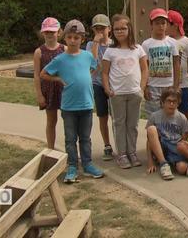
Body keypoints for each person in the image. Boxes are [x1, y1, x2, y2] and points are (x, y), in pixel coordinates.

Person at [41, 19, 104, 183]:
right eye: (70, 37)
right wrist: (58, 79)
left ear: (82, 39)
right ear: (65, 38)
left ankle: (88, 164)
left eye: (77, 38)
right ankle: (72, 166)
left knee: (85, 138)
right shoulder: (60, 59)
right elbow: (43, 74)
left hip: (86, 105)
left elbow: (95, 66)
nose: (73, 40)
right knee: (70, 139)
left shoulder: (87, 56)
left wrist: (88, 77)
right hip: (68, 107)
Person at [102, 14, 149, 169]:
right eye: (116, 29)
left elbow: (144, 69)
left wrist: (141, 88)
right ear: (112, 31)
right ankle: (122, 154)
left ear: (129, 28)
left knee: (133, 124)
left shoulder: (138, 49)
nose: (120, 31)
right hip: (117, 94)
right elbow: (104, 72)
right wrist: (107, 89)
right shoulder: (110, 51)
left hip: (134, 92)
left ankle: (132, 152)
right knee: (119, 123)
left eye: (123, 28)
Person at [141, 8, 181, 119]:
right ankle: (153, 136)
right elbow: (145, 66)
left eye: (163, 23)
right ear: (151, 24)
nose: (160, 26)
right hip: (153, 86)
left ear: (167, 24)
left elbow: (176, 64)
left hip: (168, 85)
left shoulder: (172, 43)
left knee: (169, 116)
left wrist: (176, 86)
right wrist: (145, 87)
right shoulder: (146, 44)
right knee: (153, 117)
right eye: (157, 23)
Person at [85, 14, 114, 161]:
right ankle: (107, 144)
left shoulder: (114, 44)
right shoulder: (90, 45)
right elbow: (93, 64)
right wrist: (96, 43)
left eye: (103, 28)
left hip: (114, 85)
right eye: (97, 29)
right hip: (97, 84)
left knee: (116, 117)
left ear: (109, 28)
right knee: (103, 116)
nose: (100, 32)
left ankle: (121, 145)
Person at [33, 17, 64, 149]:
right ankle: (51, 148)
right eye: (47, 32)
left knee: (69, 121)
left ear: (59, 32)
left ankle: (71, 150)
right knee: (51, 121)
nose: (50, 34)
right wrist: (39, 95)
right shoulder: (39, 52)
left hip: (64, 89)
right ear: (42, 33)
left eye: (53, 31)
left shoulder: (65, 49)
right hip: (48, 90)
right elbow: (36, 75)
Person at [146, 89, 188, 180]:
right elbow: (149, 141)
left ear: (178, 103)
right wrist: (150, 162)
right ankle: (163, 163)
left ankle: (171, 162)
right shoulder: (154, 116)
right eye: (169, 101)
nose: (171, 104)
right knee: (151, 129)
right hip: (161, 146)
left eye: (174, 102)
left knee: (182, 169)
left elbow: (185, 137)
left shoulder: (182, 118)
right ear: (162, 102)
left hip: (174, 148)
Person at [166, 9, 188, 129]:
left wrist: (182, 75)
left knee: (184, 110)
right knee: (168, 111)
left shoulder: (187, 42)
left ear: (175, 25)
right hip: (168, 83)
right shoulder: (166, 41)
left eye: (166, 23)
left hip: (183, 84)